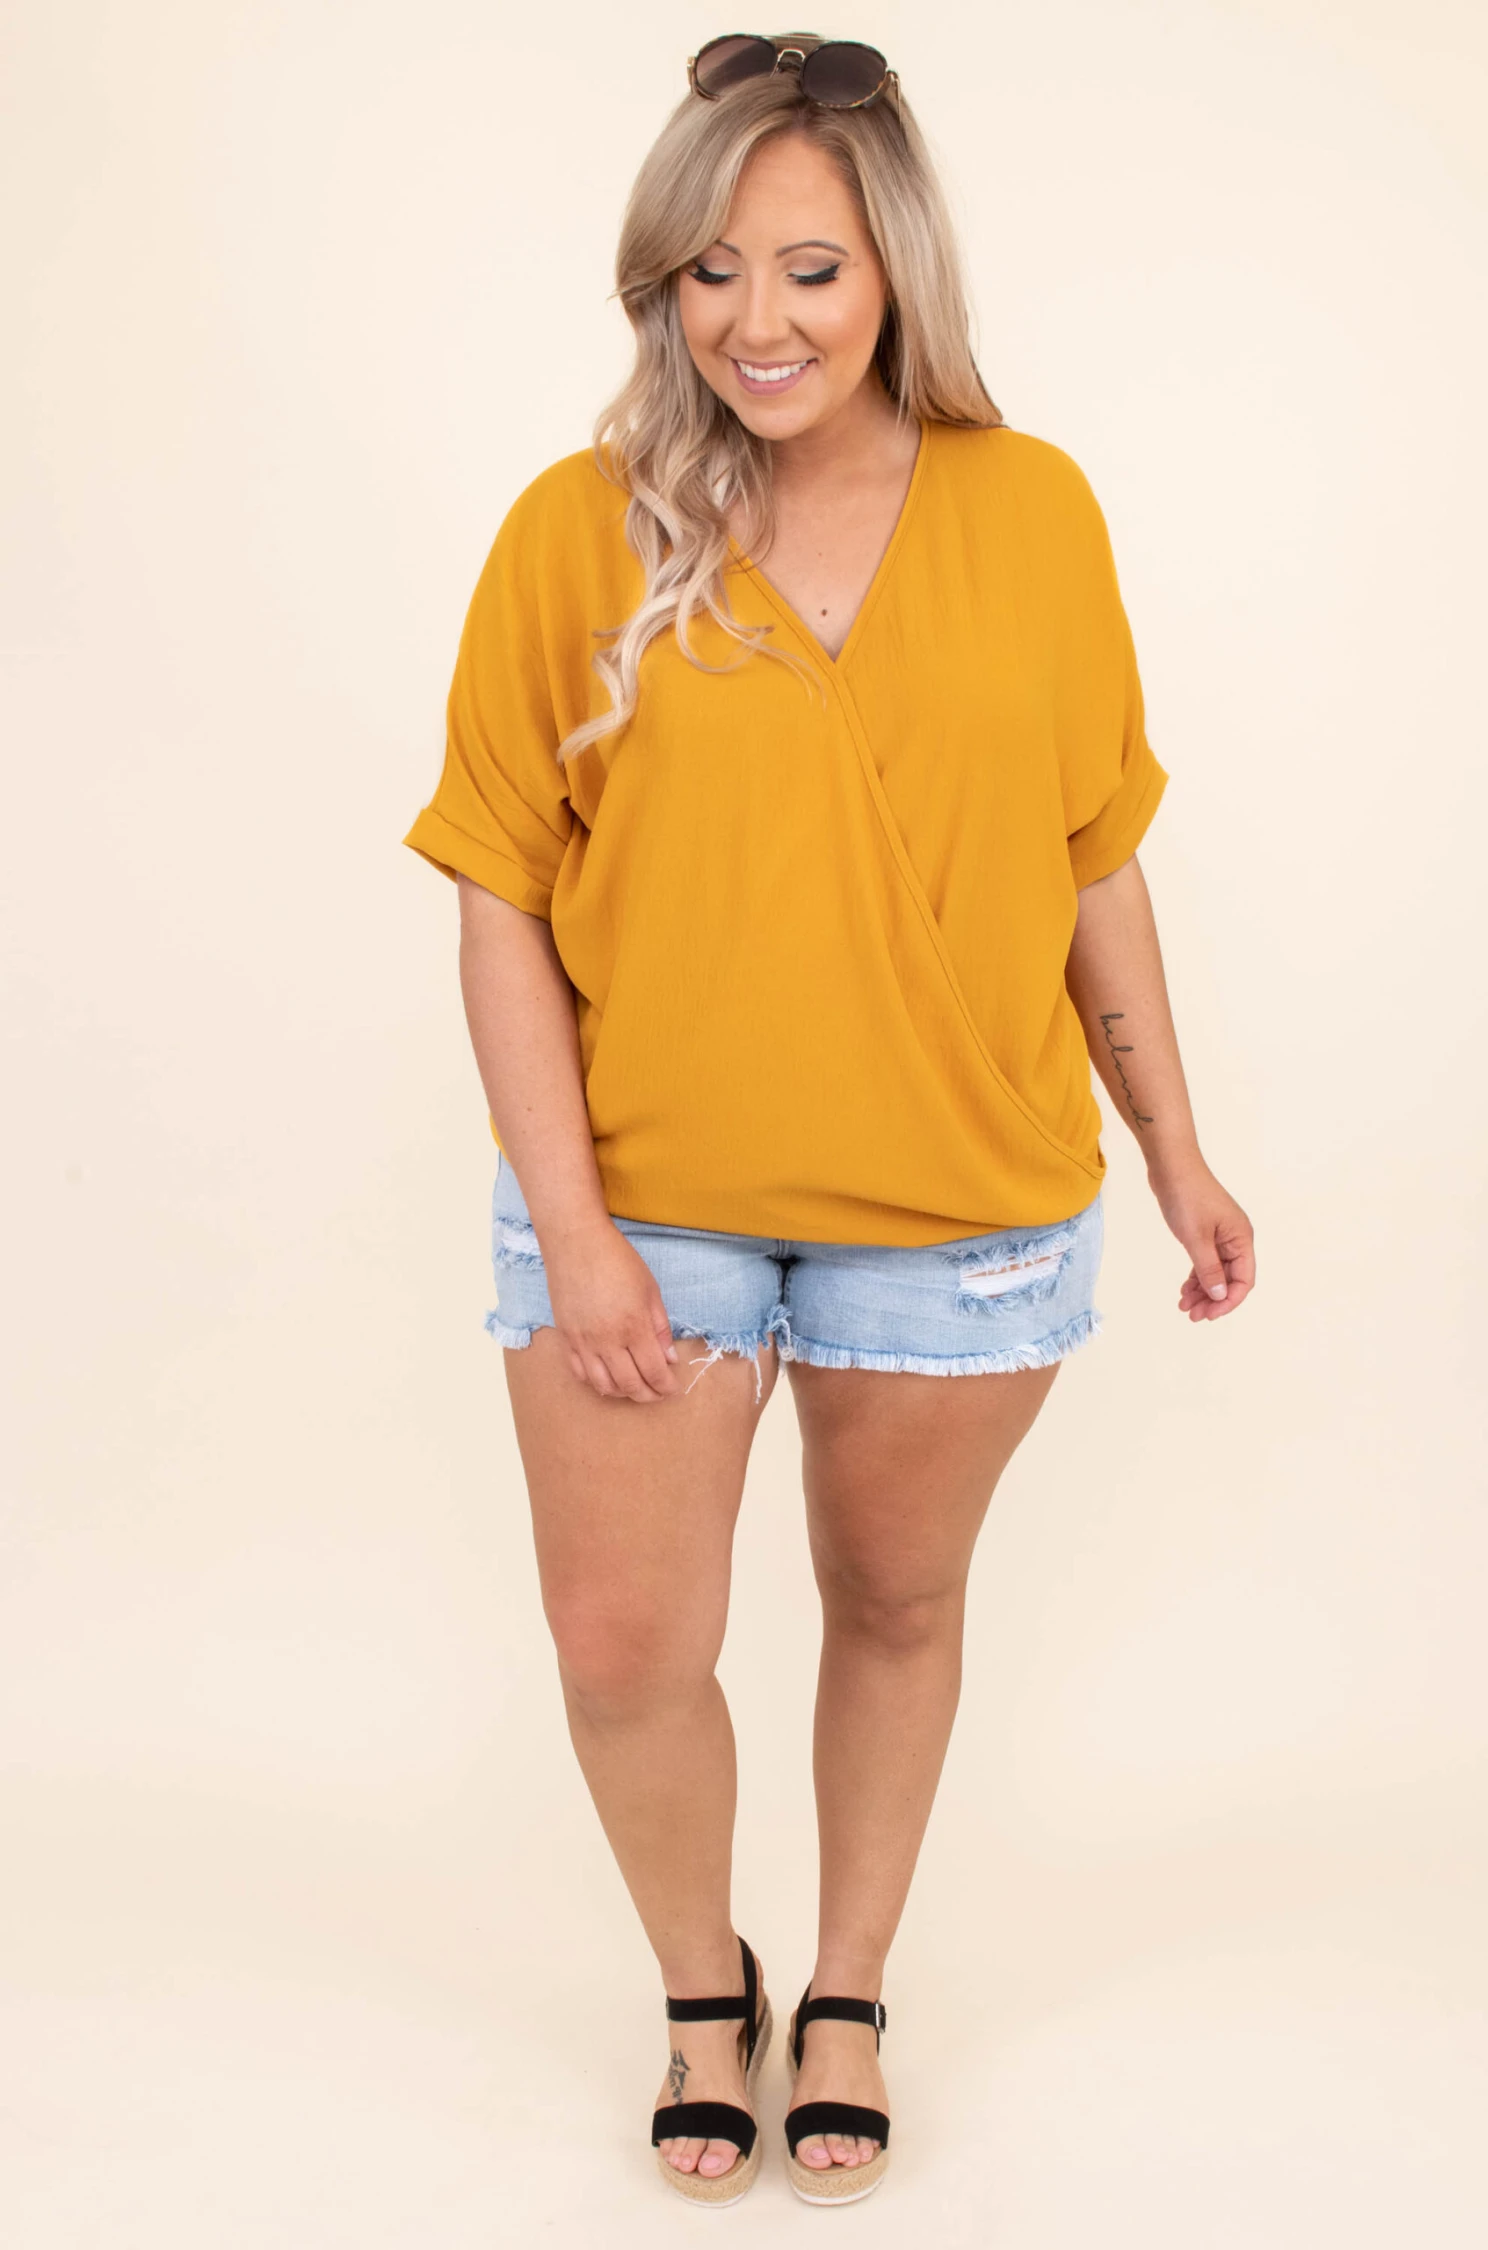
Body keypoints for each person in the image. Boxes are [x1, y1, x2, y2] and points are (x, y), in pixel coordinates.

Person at [402, 29, 1255, 2210]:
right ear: (659, 284)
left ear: (895, 274)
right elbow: (499, 899)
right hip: (642, 1192)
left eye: (808, 268)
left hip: (957, 1198)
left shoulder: (1033, 510)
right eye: (710, 271)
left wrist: (1175, 1148)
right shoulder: (578, 529)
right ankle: (710, 1990)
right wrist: (575, 1233)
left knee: (893, 1594)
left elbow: (1093, 859)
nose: (756, 322)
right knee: (627, 1645)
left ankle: (850, 1993)